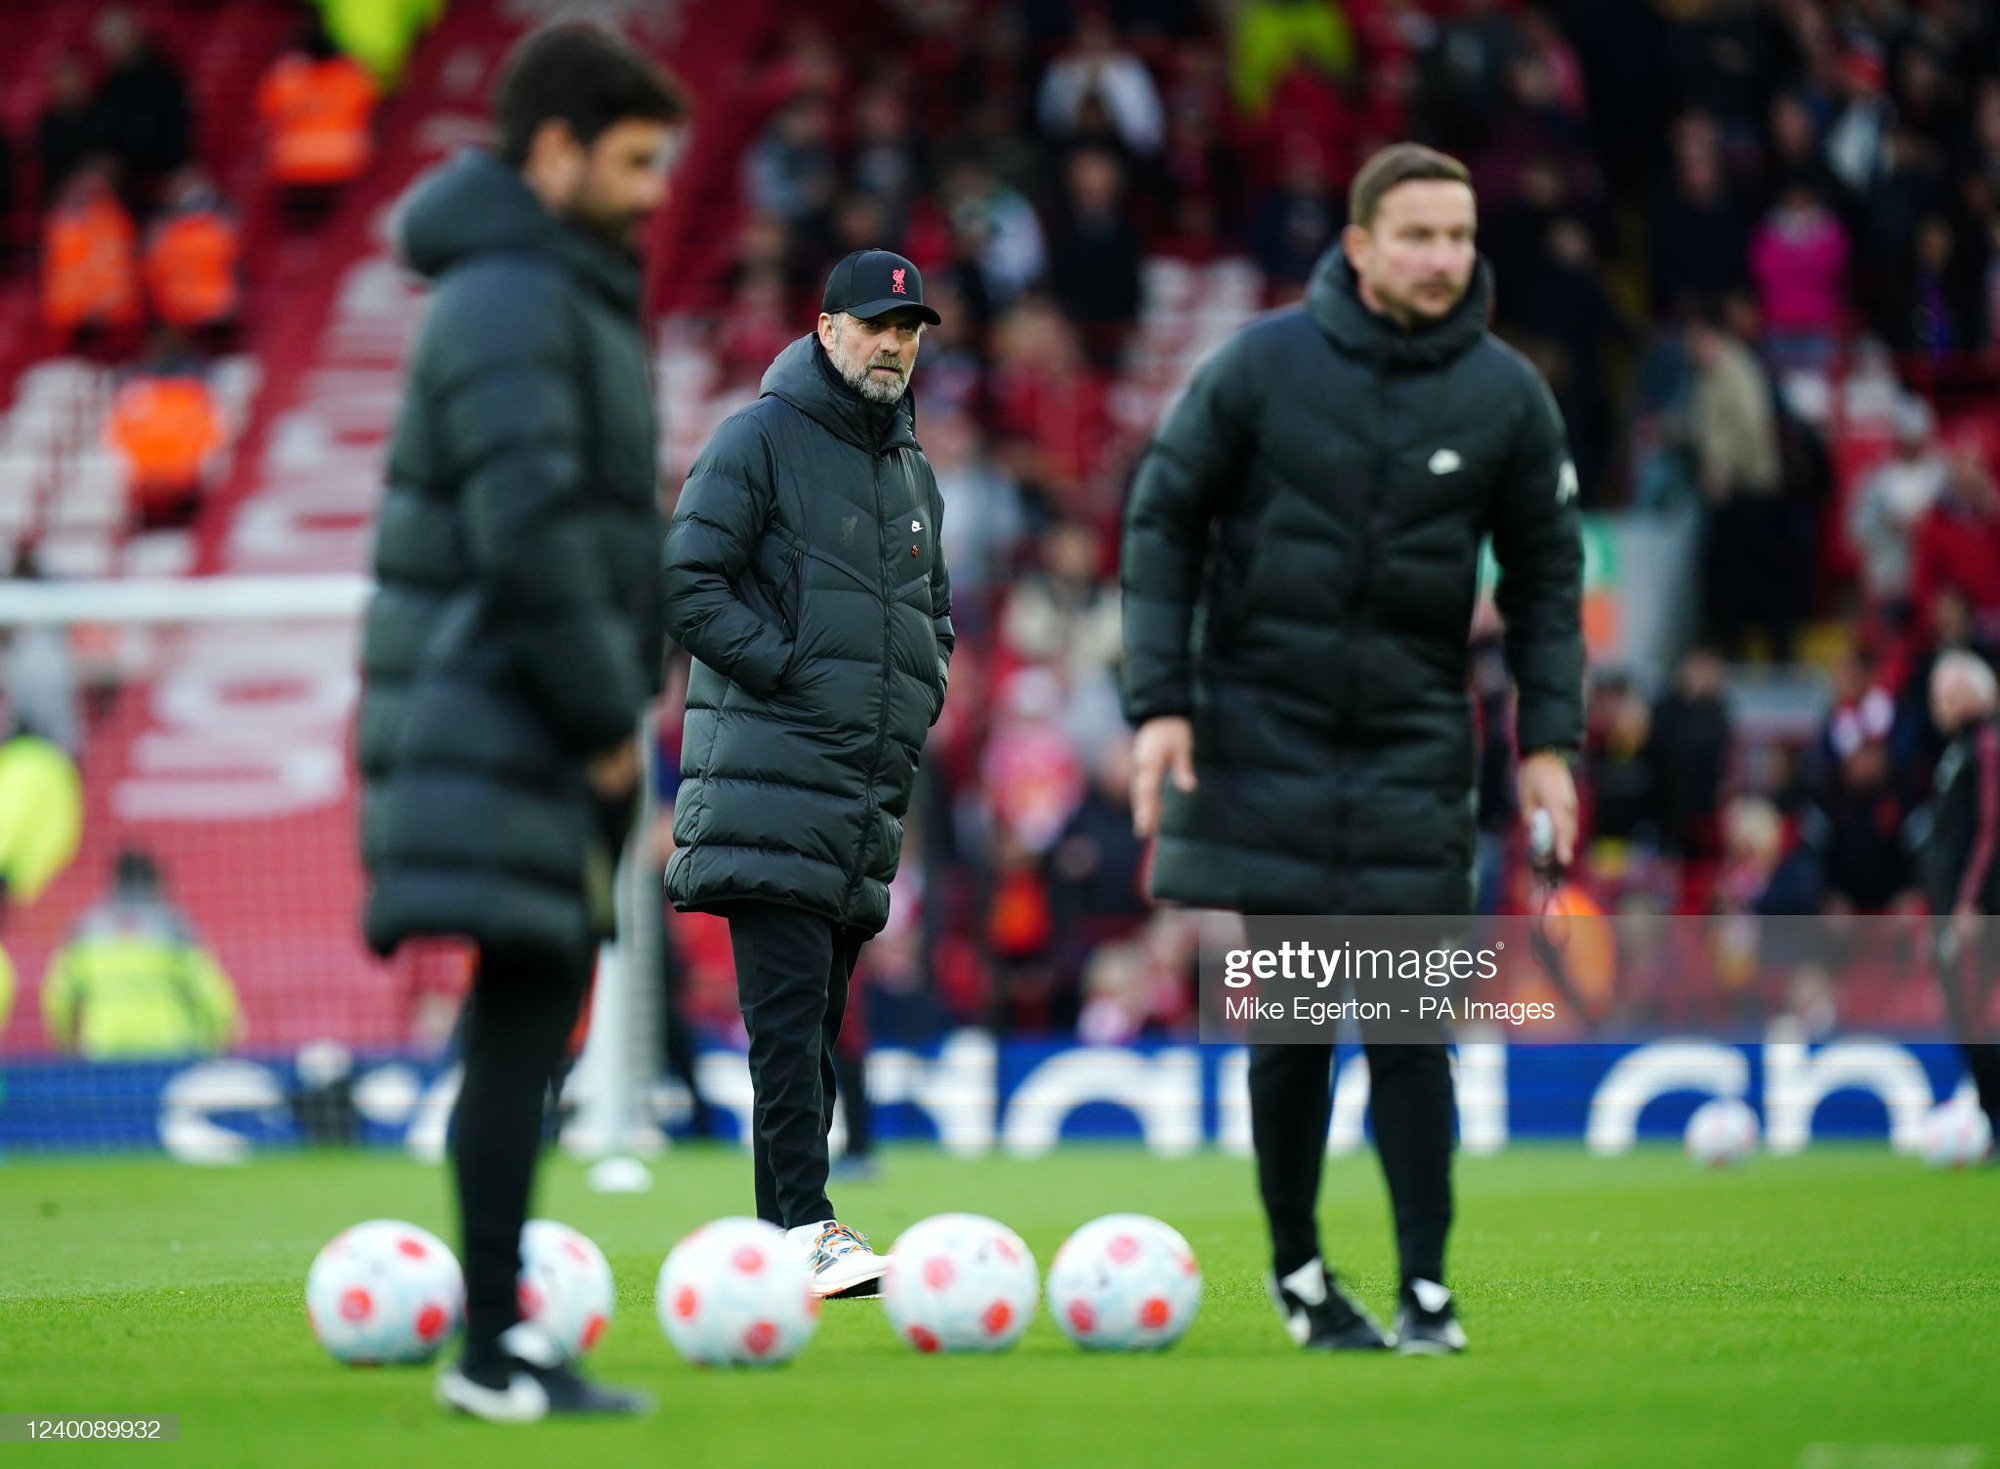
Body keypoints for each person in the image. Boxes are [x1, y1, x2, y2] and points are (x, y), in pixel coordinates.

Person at [1121, 142, 1583, 1353]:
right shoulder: (1260, 367)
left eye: (1459, 236)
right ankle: (1299, 1277)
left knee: (1409, 1026)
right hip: (1262, 739)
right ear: (1361, 242)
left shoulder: (1505, 396)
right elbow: (1163, 515)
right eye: (1419, 235)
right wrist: (1157, 699)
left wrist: (1550, 742)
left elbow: (1545, 579)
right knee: (1289, 1025)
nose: (1442, 257)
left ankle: (1426, 1289)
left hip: (1414, 748)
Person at [356, 21, 688, 1422]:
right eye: (632, 159)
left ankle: (497, 1338)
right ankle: (492, 1351)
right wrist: (606, 712)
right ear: (551, 152)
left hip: (522, 716)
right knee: (520, 1022)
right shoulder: (507, 298)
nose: (657, 188)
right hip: (513, 719)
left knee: (528, 1025)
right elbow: (530, 528)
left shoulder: (557, 288)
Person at [662, 248, 952, 1299]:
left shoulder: (911, 469)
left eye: (909, 328)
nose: (893, 344)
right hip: (768, 781)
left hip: (855, 792)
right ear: (824, 328)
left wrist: (915, 697)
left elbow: (937, 617)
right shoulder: (758, 438)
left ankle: (768, 1242)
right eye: (875, 323)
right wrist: (794, 676)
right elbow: (685, 583)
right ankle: (806, 1222)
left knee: (811, 1026)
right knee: (788, 1025)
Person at [41, 850, 241, 1060]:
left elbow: (59, 995)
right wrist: (222, 1038)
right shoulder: (173, 927)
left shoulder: (87, 928)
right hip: (168, 1051)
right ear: (155, 883)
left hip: (104, 1050)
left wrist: (65, 1043)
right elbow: (208, 989)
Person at [1919, 651, 2000, 1150]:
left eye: (1946, 693)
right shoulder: (1956, 752)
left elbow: (1991, 827)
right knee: (1966, 1021)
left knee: (1978, 1020)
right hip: (1951, 914)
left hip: (1974, 916)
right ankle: (1991, 1125)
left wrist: (1969, 901)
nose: (1938, 704)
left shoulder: (1986, 745)